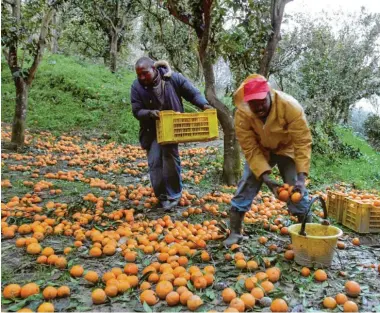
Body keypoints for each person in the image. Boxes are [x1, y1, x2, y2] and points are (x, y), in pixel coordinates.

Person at [223, 74, 313, 246]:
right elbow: (250, 147)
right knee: (248, 181)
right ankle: (235, 232)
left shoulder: (289, 107)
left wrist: (302, 179)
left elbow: (302, 142)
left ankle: (305, 231)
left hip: (286, 149)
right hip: (261, 150)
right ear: (246, 102)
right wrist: (266, 179)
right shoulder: (243, 114)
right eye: (253, 104)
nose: (258, 108)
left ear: (269, 94)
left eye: (261, 102)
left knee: (294, 186)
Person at [131, 57, 212, 211]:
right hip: (151, 130)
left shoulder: (173, 78)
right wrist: (150, 113)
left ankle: (174, 195)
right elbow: (136, 111)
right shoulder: (137, 87)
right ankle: (162, 197)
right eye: (138, 75)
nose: (142, 78)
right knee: (155, 162)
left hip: (171, 127)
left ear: (154, 69)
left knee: (170, 160)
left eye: (144, 73)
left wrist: (204, 105)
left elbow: (192, 93)